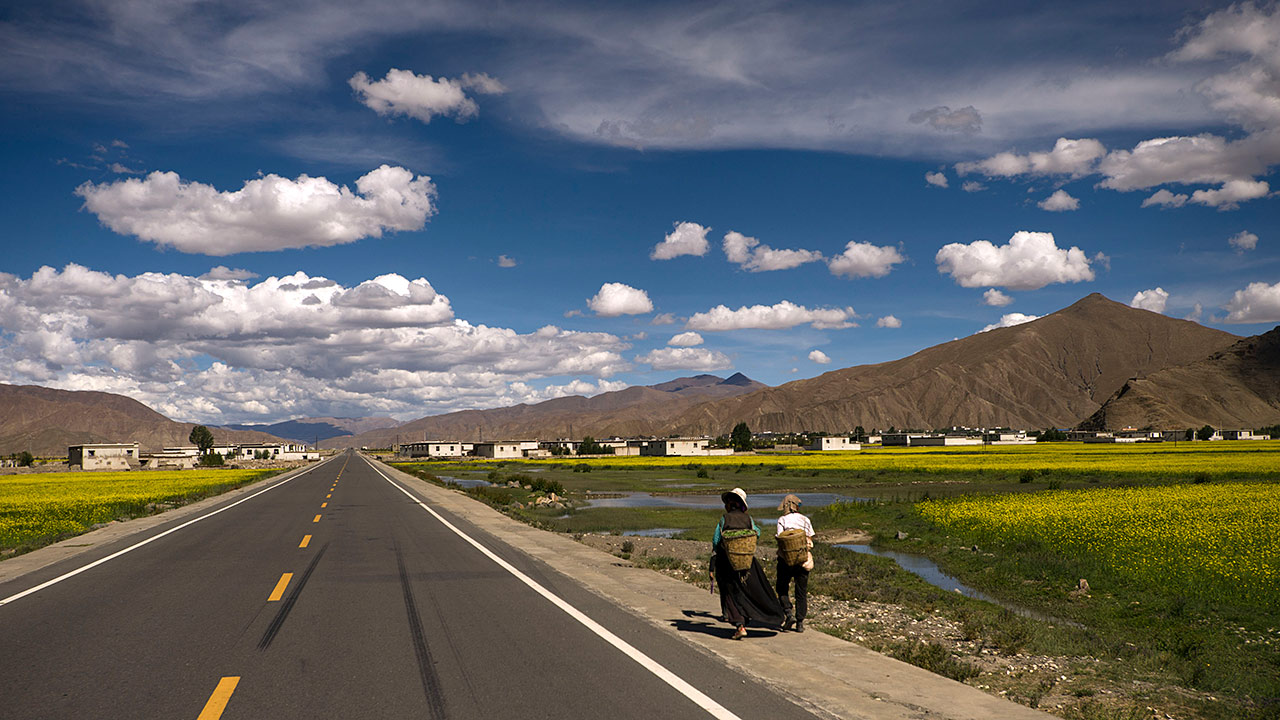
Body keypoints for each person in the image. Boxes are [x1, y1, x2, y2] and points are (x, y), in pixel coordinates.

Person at [712, 487, 785, 639]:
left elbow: (716, 539)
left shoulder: (724, 518)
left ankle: (739, 624)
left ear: (730, 504)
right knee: (747, 589)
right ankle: (748, 618)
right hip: (746, 559)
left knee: (730, 592)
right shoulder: (748, 519)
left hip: (727, 561)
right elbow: (756, 533)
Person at [775, 493, 815, 632]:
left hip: (785, 560)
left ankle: (788, 612)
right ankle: (800, 622)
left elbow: (780, 537)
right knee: (801, 592)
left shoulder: (782, 520)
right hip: (802, 560)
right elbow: (809, 537)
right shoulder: (805, 520)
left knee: (781, 587)